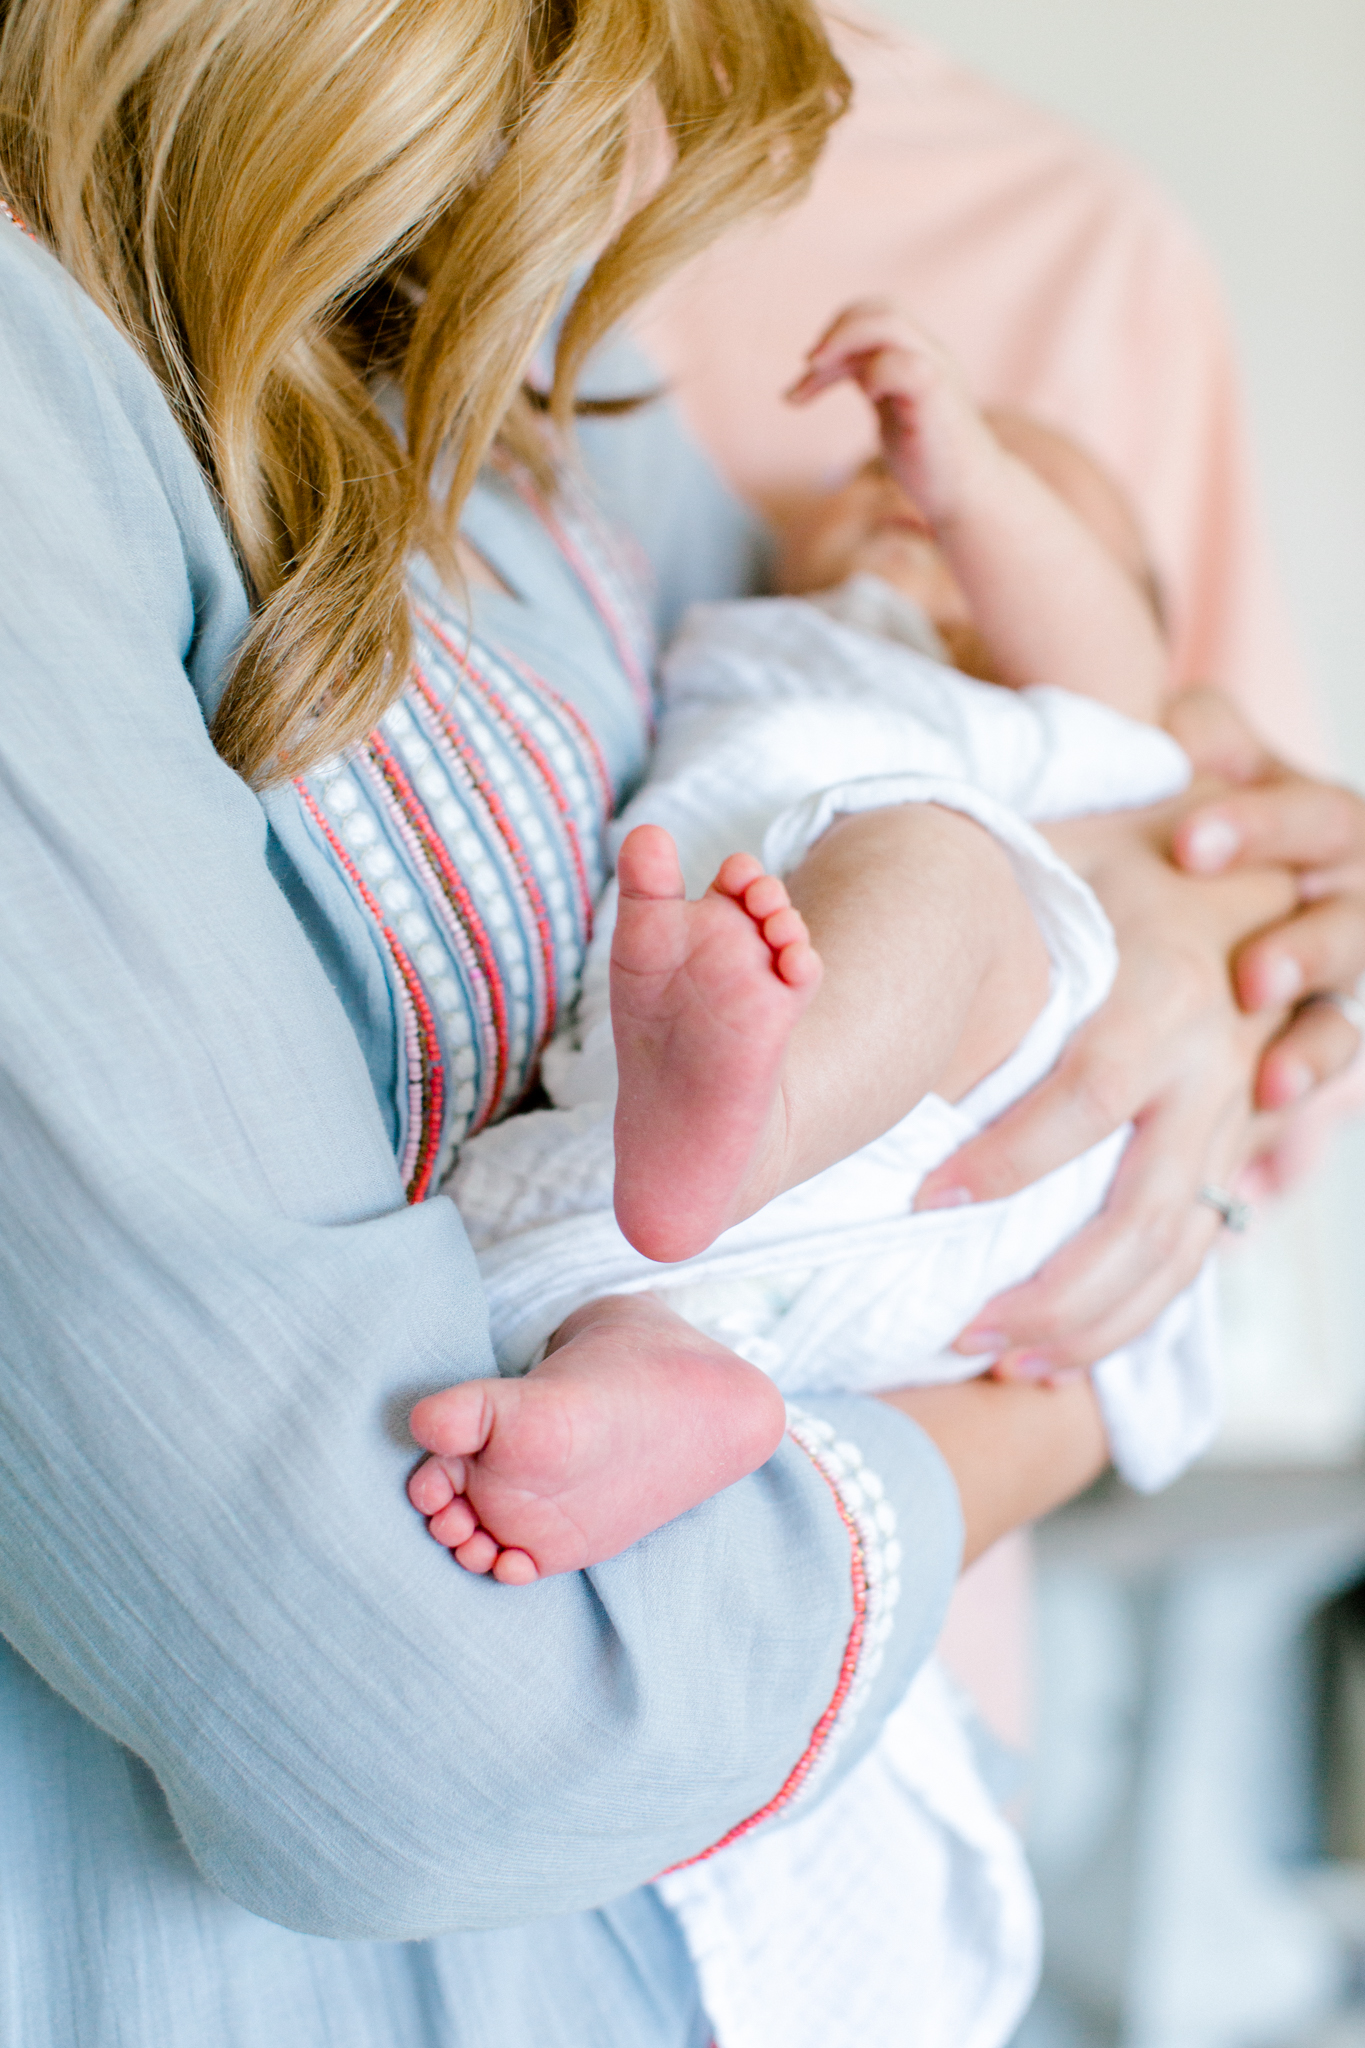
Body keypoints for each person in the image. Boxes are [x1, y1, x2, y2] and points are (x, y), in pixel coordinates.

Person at [3, 6, 1365, 2048]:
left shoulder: (570, 406)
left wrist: (1205, 922)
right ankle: (711, 1284)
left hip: (895, 1172)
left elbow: (1154, 784)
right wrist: (1034, 1389)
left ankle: (753, 1145)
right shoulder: (118, 409)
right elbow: (405, 1726)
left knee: (931, 894)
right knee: (621, 1283)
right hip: (690, 1288)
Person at [407, 301, 1218, 1587]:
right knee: (566, 1296)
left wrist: (975, 473)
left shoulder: (1030, 730)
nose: (918, 490)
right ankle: (660, 1382)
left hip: (975, 1112)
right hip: (738, 1215)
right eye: (879, 472)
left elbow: (1117, 676)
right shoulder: (745, 634)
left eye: (1024, 509)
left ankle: (757, 1114)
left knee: (938, 855)